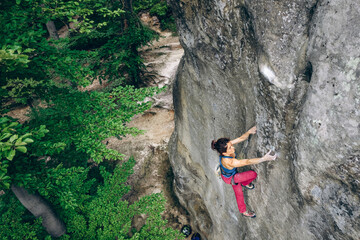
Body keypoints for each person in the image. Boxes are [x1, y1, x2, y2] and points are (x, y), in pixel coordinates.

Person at [211, 126, 277, 218]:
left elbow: (240, 138)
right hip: (231, 178)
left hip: (229, 174)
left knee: (248, 179)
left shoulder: (225, 147)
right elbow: (247, 161)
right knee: (240, 191)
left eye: (231, 145)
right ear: (224, 153)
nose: (233, 148)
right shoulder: (230, 162)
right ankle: (244, 212)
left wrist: (249, 132)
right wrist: (263, 159)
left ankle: (245, 183)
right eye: (230, 148)